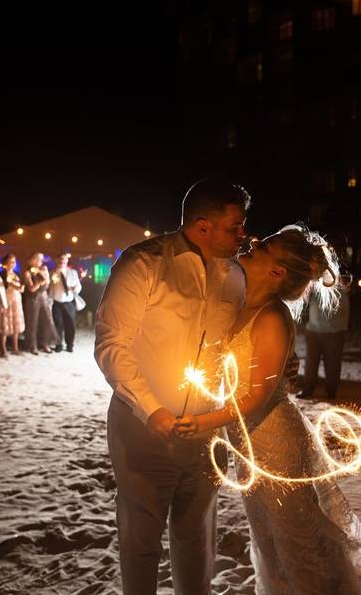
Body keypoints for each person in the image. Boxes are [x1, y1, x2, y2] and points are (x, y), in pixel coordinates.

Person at [173, 226, 361, 593]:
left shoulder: (271, 318)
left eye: (263, 246)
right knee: (270, 542)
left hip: (275, 443)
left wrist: (202, 422)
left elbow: (255, 399)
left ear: (277, 272)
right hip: (250, 446)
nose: (252, 243)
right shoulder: (238, 301)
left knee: (297, 545)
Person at [95, 180, 249, 595]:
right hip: (142, 429)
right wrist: (152, 410)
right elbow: (111, 345)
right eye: (235, 226)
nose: (243, 235)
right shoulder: (144, 264)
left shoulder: (236, 275)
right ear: (202, 226)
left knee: (196, 536)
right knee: (141, 540)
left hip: (206, 431)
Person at [298, 270, 351, 399]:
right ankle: (311, 390)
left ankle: (327, 391)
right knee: (314, 363)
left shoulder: (339, 290)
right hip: (318, 331)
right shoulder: (318, 288)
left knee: (329, 364)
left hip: (333, 332)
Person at [22, 252, 59, 354]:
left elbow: (47, 285)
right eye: (37, 259)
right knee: (33, 322)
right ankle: (32, 345)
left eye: (41, 259)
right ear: (30, 260)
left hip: (44, 297)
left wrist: (45, 277)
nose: (39, 261)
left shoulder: (43, 270)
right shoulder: (27, 273)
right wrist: (39, 282)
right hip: (32, 299)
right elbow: (31, 288)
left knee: (47, 321)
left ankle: (45, 343)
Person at [50, 252, 82, 352]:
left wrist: (75, 288)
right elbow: (50, 287)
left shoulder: (73, 272)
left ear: (67, 261)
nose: (62, 262)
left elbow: (79, 286)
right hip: (56, 302)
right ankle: (58, 345)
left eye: (64, 260)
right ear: (56, 260)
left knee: (70, 324)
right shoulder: (52, 273)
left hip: (69, 302)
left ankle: (70, 345)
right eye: (60, 260)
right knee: (58, 324)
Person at [0, 254, 25, 357]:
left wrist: (20, 288)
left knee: (15, 324)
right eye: (10, 262)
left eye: (13, 262)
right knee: (5, 324)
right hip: (6, 300)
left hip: (16, 300)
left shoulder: (17, 274)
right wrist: (10, 285)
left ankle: (15, 348)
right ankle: (3, 349)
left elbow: (22, 288)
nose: (12, 264)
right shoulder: (1, 274)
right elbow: (0, 287)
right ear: (5, 263)